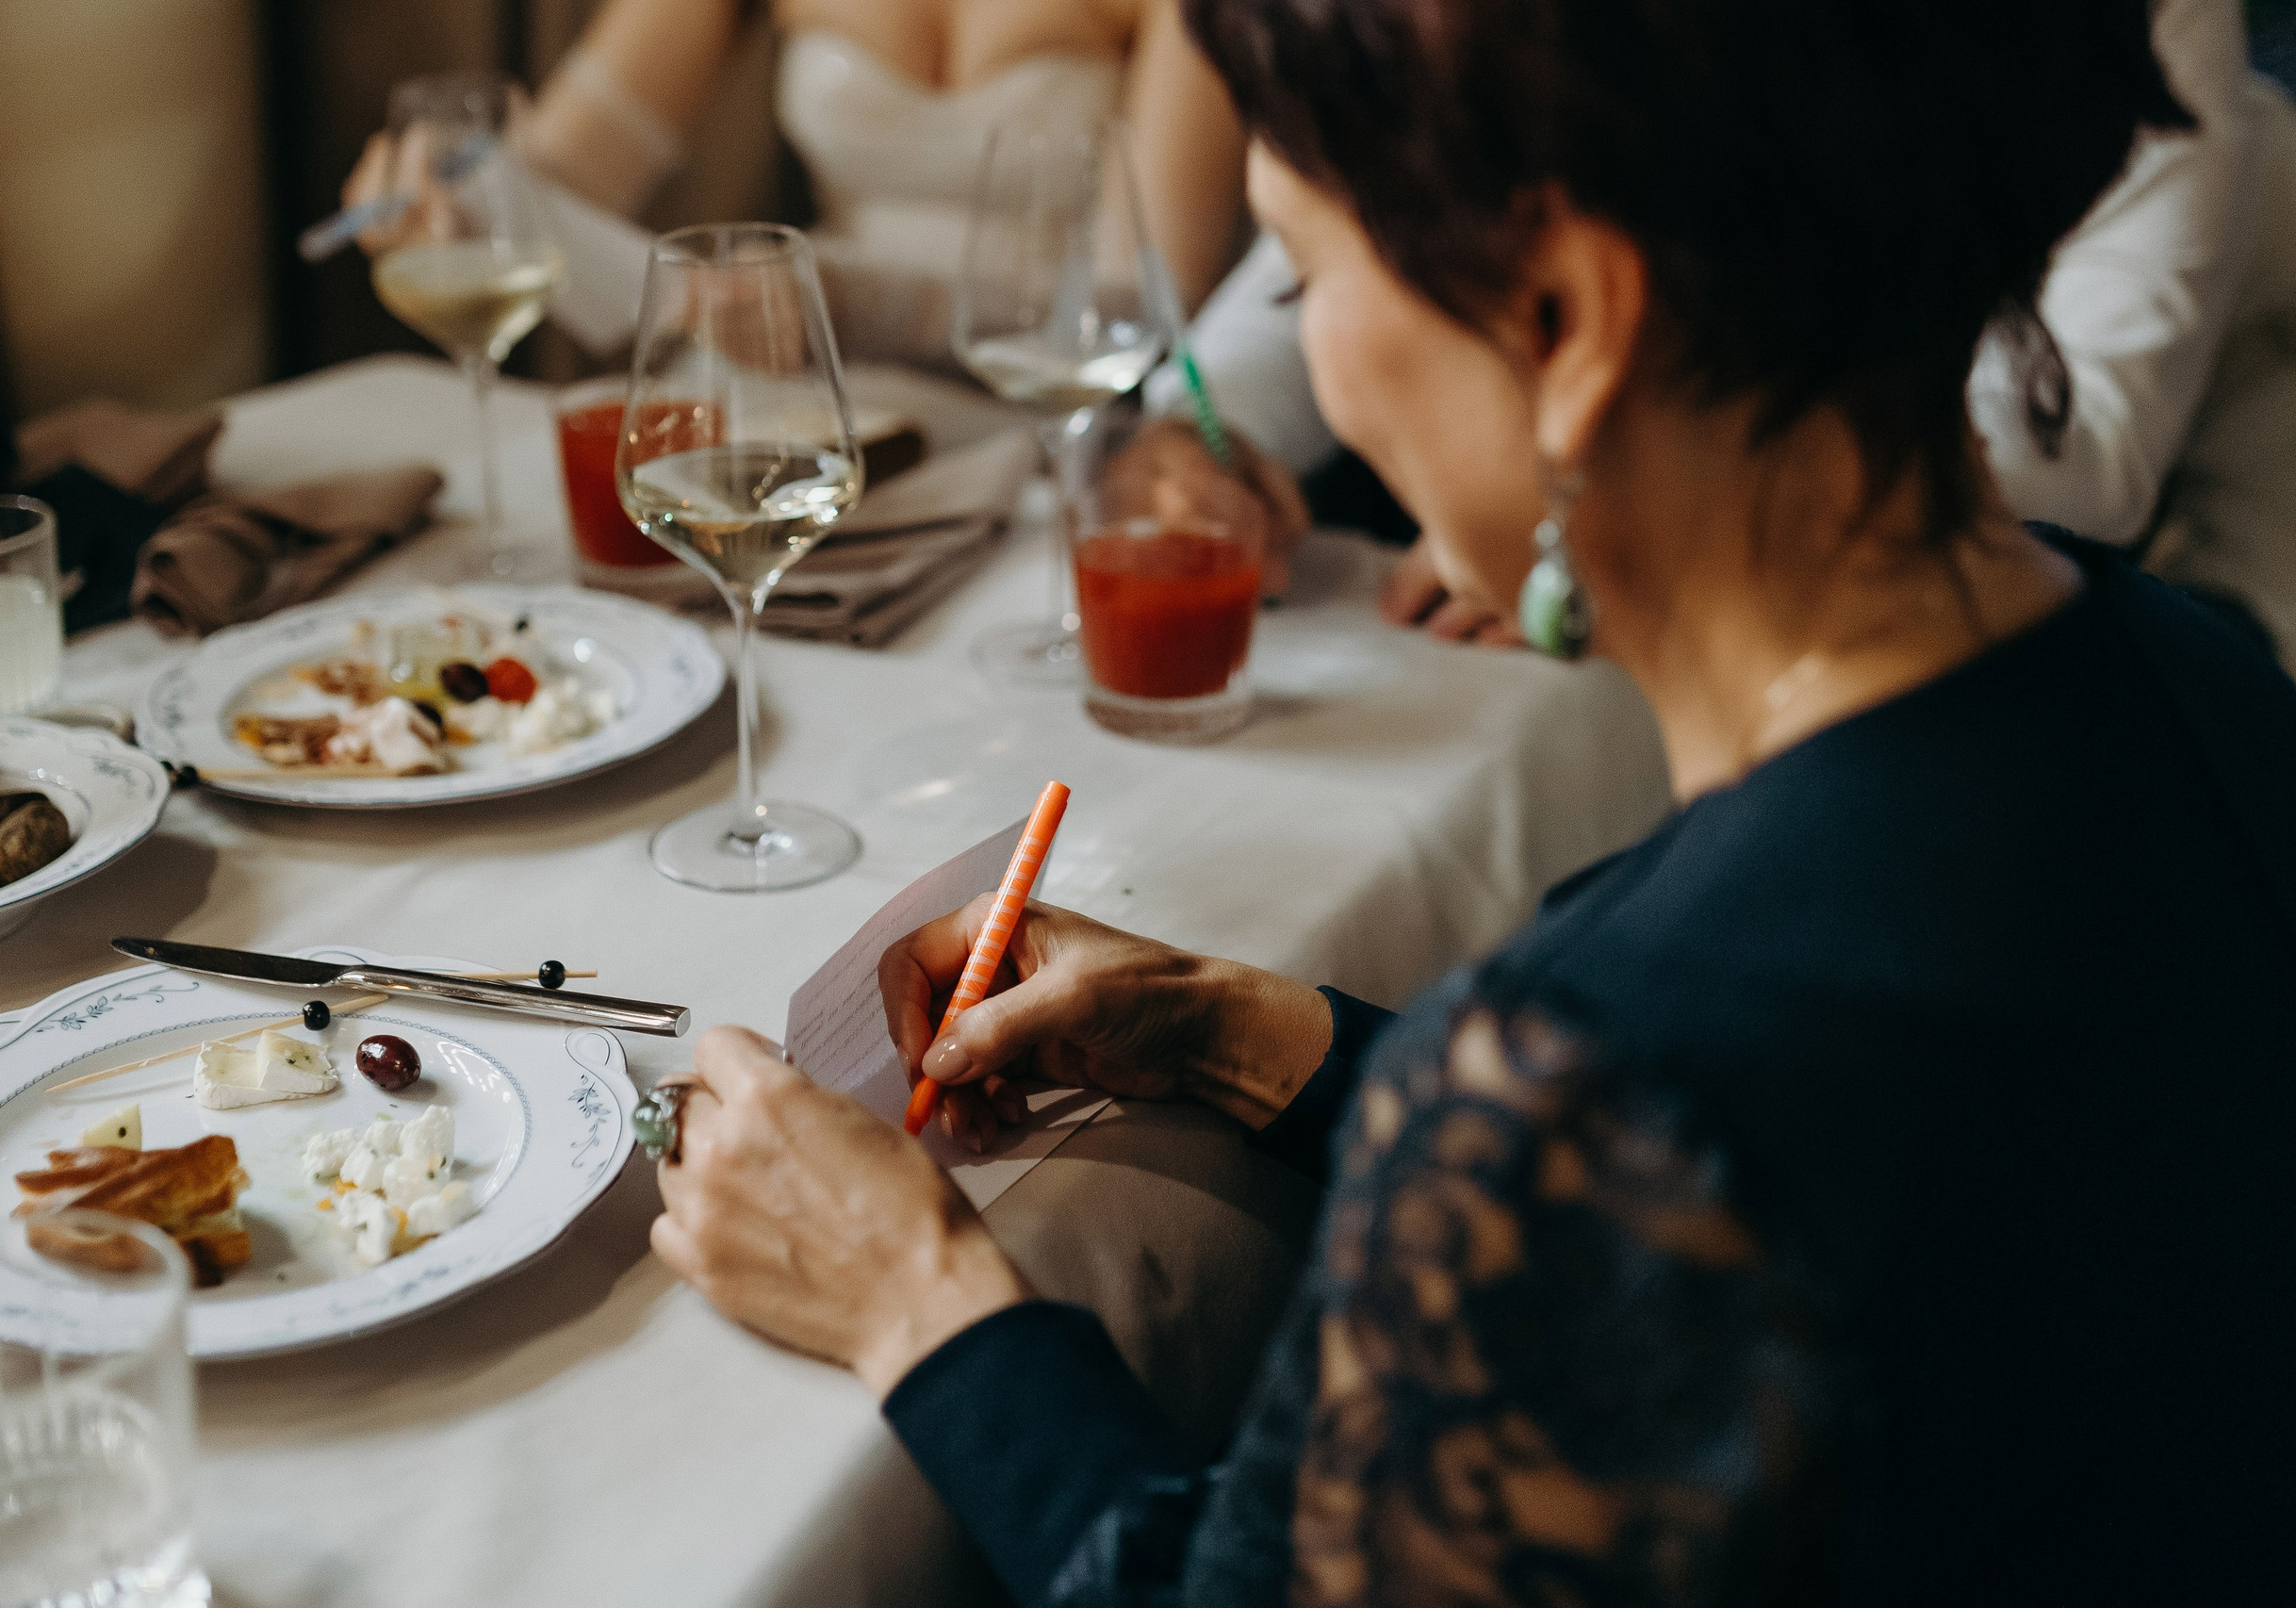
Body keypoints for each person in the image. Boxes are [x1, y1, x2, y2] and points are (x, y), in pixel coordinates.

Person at [643, 0, 2296, 1601]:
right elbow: (1763, 1225)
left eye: (1305, 274)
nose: (1315, 363)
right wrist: (1237, 1027)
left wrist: (912, 1295)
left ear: (1567, 324)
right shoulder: (2194, 676)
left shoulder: (1587, 1091)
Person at [1162, 0, 2296, 663]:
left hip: (2087, 565)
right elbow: (1406, 194)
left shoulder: (2130, 30)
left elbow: (2092, 441)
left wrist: (1600, 500)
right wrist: (1201, 417)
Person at [346, 0, 1253, 361]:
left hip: (1062, 438)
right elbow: (570, 177)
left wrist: (858, 305)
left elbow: (1150, 302)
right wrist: (457, 183)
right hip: (820, 430)